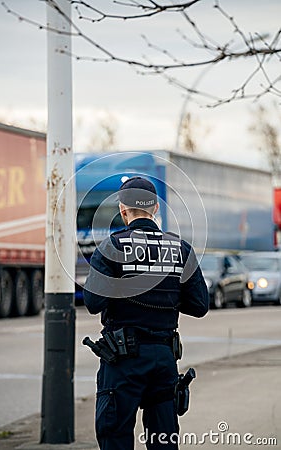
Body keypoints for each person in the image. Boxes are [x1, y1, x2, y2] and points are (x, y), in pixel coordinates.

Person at [83, 176, 209, 450]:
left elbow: (93, 302)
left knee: (115, 437)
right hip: (164, 360)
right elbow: (200, 305)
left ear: (122, 209)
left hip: (122, 362)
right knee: (163, 441)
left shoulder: (111, 248)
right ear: (155, 209)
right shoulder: (180, 249)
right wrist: (170, 297)